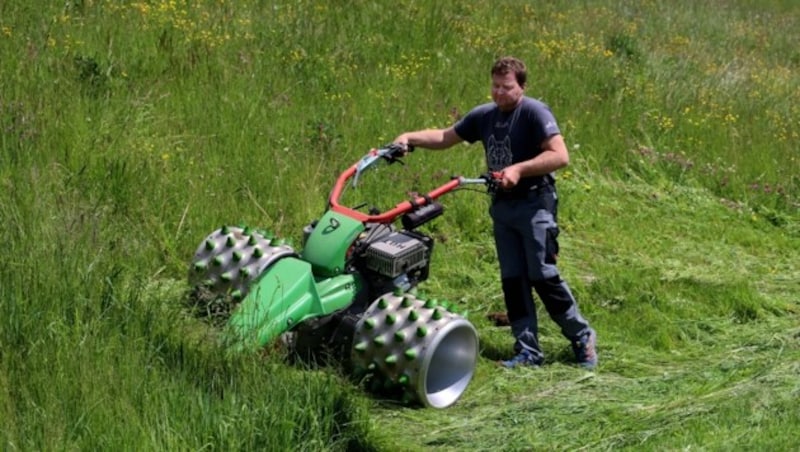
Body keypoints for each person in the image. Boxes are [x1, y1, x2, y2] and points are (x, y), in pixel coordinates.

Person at [393, 56, 597, 369]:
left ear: (522, 87)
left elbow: (560, 156)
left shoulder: (534, 112)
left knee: (542, 275)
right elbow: (446, 137)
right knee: (513, 280)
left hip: (535, 204)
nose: (500, 93)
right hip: (503, 208)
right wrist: (409, 137)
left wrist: (519, 169)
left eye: (507, 87)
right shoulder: (485, 115)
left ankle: (581, 337)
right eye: (495, 86)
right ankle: (528, 351)